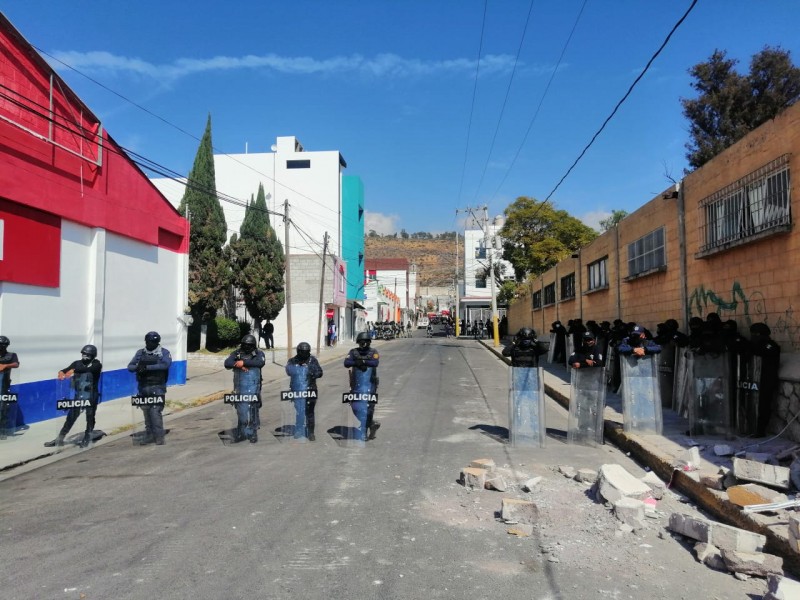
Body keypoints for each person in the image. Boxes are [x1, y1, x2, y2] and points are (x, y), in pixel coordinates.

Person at [45, 344, 102, 448]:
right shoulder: (77, 363)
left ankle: (87, 437)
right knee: (71, 417)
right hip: (79, 395)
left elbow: (89, 370)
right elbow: (67, 369)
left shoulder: (97, 364)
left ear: (93, 355)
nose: (84, 356)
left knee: (90, 417)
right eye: (83, 354)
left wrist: (74, 371)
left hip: (91, 395)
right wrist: (62, 372)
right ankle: (60, 438)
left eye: (87, 355)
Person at [127, 331, 172, 445]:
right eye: (149, 341)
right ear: (146, 341)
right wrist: (139, 367)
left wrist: (147, 367)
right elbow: (130, 366)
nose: (151, 344)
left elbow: (165, 365)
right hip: (143, 387)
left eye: (154, 342)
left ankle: (159, 437)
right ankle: (149, 435)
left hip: (157, 387)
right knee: (146, 412)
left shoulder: (164, 352)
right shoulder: (140, 353)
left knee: (155, 412)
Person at [224, 334, 265, 443]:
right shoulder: (237, 353)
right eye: (245, 345)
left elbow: (260, 362)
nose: (246, 347)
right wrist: (238, 365)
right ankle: (242, 433)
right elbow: (227, 363)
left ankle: (253, 433)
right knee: (241, 411)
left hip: (254, 386)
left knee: (253, 409)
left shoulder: (258, 353)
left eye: (249, 345)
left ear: (253, 345)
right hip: (240, 386)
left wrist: (245, 362)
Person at [344, 332, 381, 441]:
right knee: (355, 407)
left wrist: (363, 361)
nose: (363, 344)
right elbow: (346, 363)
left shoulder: (374, 352)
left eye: (365, 342)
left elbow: (375, 363)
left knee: (369, 409)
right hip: (357, 385)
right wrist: (357, 362)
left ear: (369, 342)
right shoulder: (353, 352)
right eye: (361, 342)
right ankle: (371, 424)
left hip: (370, 385)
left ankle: (364, 431)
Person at [285, 342, 323, 441]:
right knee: (299, 411)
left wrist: (310, 371)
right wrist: (298, 368)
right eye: (302, 352)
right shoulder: (293, 360)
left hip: (310, 389)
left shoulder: (312, 360)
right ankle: (299, 430)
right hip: (297, 389)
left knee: (310, 411)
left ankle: (311, 432)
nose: (304, 354)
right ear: (298, 351)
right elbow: (288, 371)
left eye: (306, 352)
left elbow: (320, 372)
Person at [0, 336, 20, 439]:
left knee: (3, 408)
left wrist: (5, 366)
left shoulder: (11, 355)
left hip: (4, 386)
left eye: (2, 345)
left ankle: (2, 432)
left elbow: (16, 364)